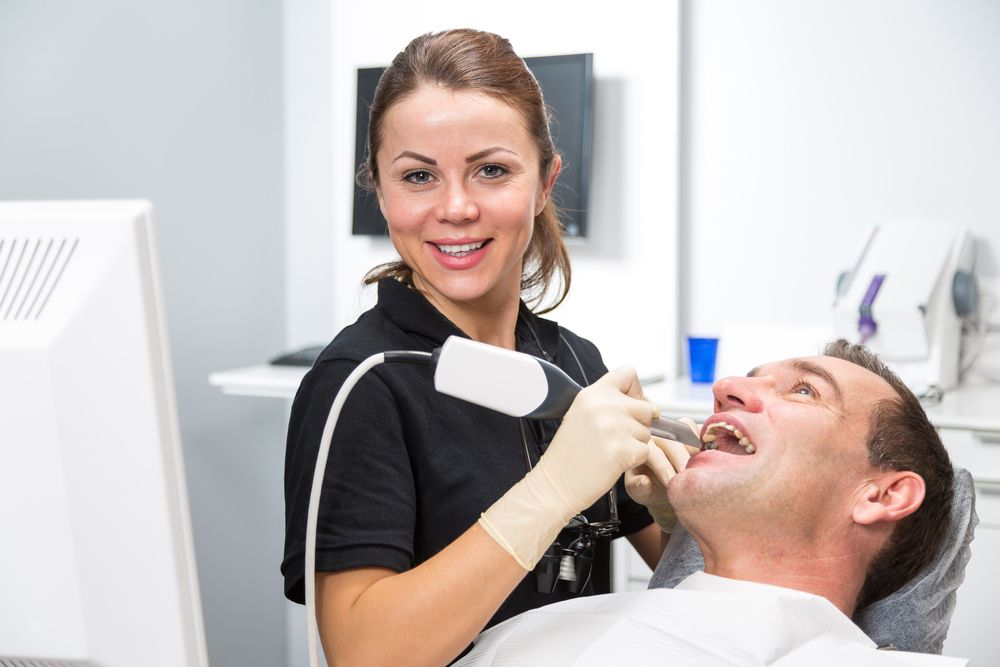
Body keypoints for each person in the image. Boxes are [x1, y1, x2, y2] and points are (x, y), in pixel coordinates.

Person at [282, 29, 667, 666]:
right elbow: (363, 654)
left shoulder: (577, 364)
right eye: (417, 176)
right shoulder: (361, 384)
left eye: (491, 170)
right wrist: (548, 494)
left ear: (546, 181)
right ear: (380, 191)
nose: (456, 208)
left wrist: (680, 513)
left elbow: (696, 589)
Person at [454, 340, 972, 665]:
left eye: (806, 392)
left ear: (884, 495)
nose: (726, 388)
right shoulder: (528, 637)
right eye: (750, 375)